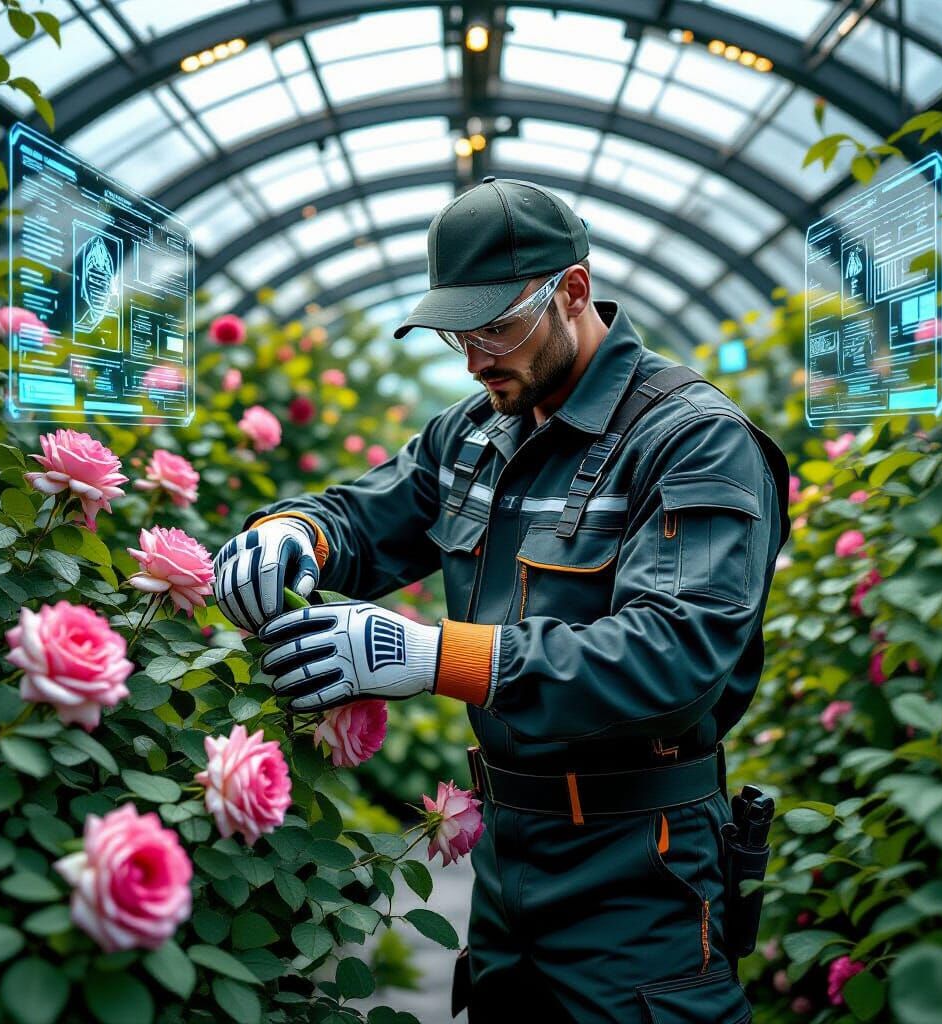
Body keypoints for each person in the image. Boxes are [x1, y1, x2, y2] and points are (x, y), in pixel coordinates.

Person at [213, 176, 791, 1023]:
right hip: (507, 852)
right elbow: (372, 516)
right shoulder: (476, 432)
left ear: (575, 292)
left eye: (497, 326)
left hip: (642, 865)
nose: (477, 357)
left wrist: (433, 656)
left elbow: (678, 657)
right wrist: (299, 531)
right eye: (459, 332)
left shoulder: (693, 442)